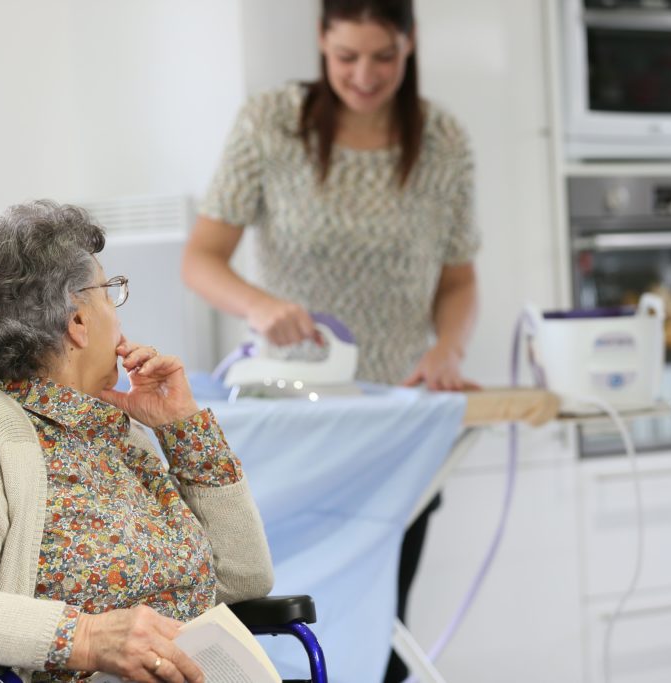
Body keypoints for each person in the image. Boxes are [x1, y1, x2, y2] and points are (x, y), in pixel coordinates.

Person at [181, 1, 480, 680]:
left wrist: (447, 351)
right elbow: (200, 258)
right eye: (346, 56)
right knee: (279, 619)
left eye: (384, 57)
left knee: (381, 624)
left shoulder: (442, 140)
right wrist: (261, 307)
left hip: (394, 426)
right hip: (296, 421)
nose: (365, 75)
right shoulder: (270, 124)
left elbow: (460, 281)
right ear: (321, 43)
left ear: (411, 46)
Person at [0, 200, 274, 683]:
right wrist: (85, 638)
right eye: (109, 293)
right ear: (76, 322)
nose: (118, 319)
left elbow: (244, 579)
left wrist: (182, 429)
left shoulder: (115, 434)